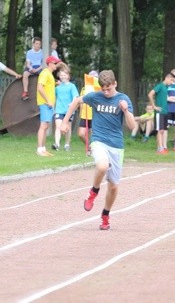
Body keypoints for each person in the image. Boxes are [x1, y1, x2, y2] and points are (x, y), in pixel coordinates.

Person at [60, 69, 136, 230]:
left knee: (114, 186)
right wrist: (65, 122)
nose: (106, 92)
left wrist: (125, 110)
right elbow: (76, 101)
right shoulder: (95, 96)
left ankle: (105, 215)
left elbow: (132, 125)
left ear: (115, 84)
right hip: (98, 140)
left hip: (116, 145)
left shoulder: (123, 99)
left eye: (109, 88)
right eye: (103, 89)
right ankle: (93, 192)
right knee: (102, 165)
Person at [36, 56, 61, 156]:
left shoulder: (49, 74)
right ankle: (39, 149)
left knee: (45, 126)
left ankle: (43, 148)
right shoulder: (45, 73)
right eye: (55, 63)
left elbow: (47, 86)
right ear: (50, 63)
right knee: (43, 126)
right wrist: (48, 100)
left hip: (48, 104)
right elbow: (40, 87)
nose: (57, 65)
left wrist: (55, 84)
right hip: (45, 103)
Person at [148, 72, 175, 154]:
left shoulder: (166, 88)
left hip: (165, 112)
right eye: (171, 80)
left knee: (163, 130)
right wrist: (154, 106)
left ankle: (161, 147)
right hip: (159, 112)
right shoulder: (160, 86)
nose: (172, 82)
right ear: (167, 78)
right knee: (160, 130)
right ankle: (160, 148)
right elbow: (150, 94)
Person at [52, 69, 79, 151]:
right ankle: (57, 144)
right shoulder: (57, 88)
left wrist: (72, 103)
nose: (63, 77)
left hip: (69, 111)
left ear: (68, 76)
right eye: (61, 75)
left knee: (67, 128)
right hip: (59, 110)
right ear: (59, 77)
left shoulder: (72, 86)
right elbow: (54, 97)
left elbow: (75, 96)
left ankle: (67, 144)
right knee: (58, 127)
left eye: (64, 75)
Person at [78, 70, 99, 153]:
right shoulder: (84, 89)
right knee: (81, 134)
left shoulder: (98, 90)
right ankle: (90, 146)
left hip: (95, 115)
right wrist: (80, 112)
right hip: (85, 115)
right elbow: (80, 102)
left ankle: (95, 150)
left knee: (94, 134)